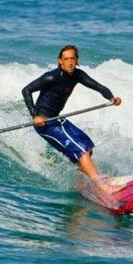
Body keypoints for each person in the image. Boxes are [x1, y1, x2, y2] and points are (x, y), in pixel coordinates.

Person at [22, 45, 122, 195]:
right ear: (60, 61)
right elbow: (26, 90)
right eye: (66, 59)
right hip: (45, 123)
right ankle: (103, 187)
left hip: (58, 120)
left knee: (88, 148)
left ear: (77, 61)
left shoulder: (78, 75)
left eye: (72, 59)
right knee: (81, 151)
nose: (69, 62)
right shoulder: (51, 77)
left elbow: (98, 87)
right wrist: (35, 115)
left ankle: (80, 186)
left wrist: (111, 97)